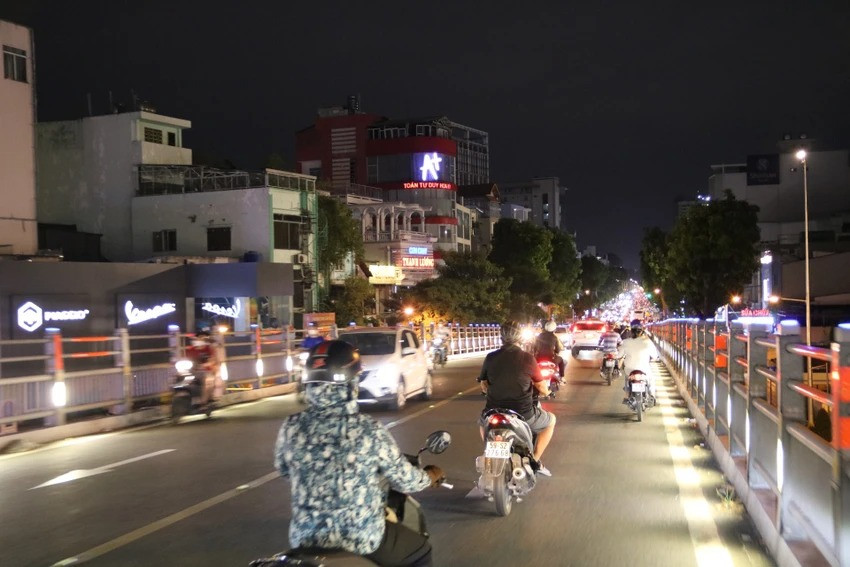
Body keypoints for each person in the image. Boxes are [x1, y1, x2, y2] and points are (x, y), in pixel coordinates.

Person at [274, 340, 444, 566]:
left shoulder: (292, 426)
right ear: (350, 383)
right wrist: (429, 477)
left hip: (305, 538)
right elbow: (405, 480)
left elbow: (285, 470)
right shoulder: (367, 429)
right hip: (361, 539)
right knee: (420, 551)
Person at [477, 320, 557, 476]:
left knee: (482, 422)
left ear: (501, 336)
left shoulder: (490, 357)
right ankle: (534, 460)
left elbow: (484, 385)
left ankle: (489, 448)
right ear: (520, 338)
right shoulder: (527, 358)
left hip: (493, 411)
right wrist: (547, 392)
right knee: (551, 421)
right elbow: (541, 386)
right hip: (523, 414)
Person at [621, 319, 660, 403]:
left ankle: (627, 394)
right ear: (641, 330)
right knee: (651, 380)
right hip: (644, 369)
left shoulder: (625, 342)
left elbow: (619, 354)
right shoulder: (647, 342)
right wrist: (654, 359)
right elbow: (655, 356)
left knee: (627, 379)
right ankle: (652, 395)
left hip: (629, 369)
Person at [185, 329, 221, 404]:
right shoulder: (190, 349)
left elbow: (212, 360)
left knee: (206, 380)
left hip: (206, 371)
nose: (202, 340)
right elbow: (186, 359)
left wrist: (205, 365)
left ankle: (203, 402)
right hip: (193, 371)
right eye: (200, 338)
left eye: (204, 338)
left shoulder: (209, 349)